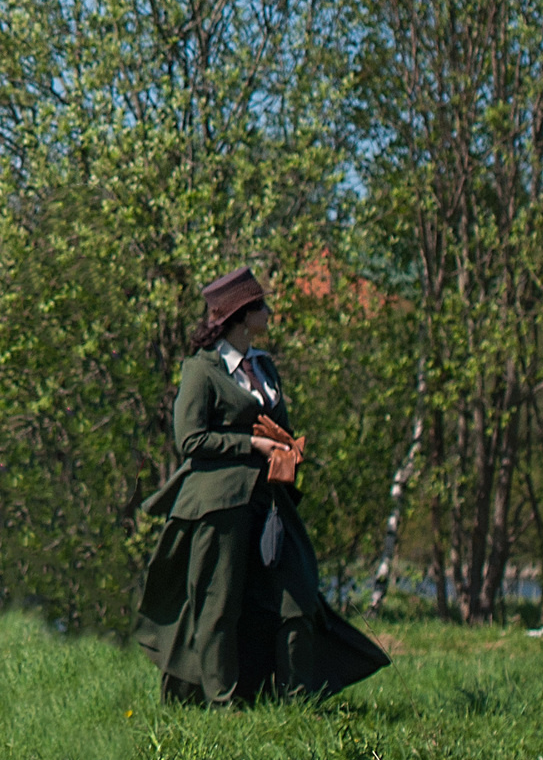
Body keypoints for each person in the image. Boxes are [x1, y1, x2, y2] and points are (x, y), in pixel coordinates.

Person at [132, 266, 389, 706]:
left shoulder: (264, 366)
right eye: (262, 306)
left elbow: (276, 428)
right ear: (241, 315)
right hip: (217, 501)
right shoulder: (201, 371)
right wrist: (251, 443)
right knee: (219, 603)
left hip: (270, 500)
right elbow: (190, 440)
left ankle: (296, 699)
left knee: (298, 593)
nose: (269, 311)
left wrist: (288, 449)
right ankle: (222, 699)